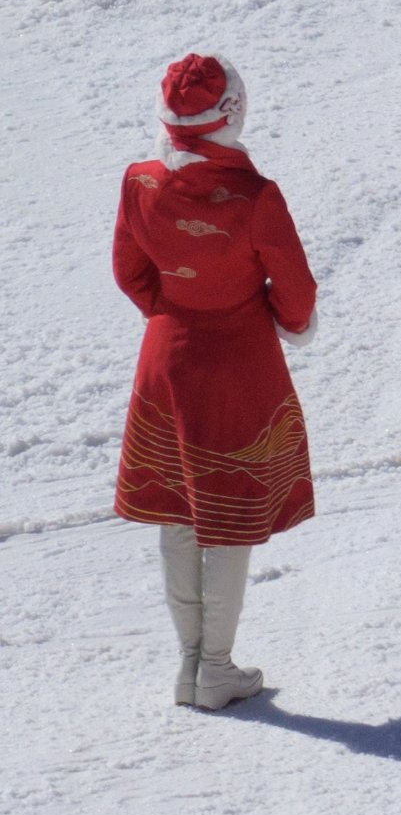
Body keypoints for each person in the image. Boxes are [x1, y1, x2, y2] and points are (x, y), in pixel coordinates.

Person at [112, 54, 318, 711]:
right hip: (237, 363)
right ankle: (217, 670)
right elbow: (295, 289)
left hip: (166, 359)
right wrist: (285, 321)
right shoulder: (256, 197)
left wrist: (172, 312)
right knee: (226, 517)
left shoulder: (140, 182)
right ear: (231, 115)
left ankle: (189, 666)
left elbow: (129, 270)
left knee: (177, 510)